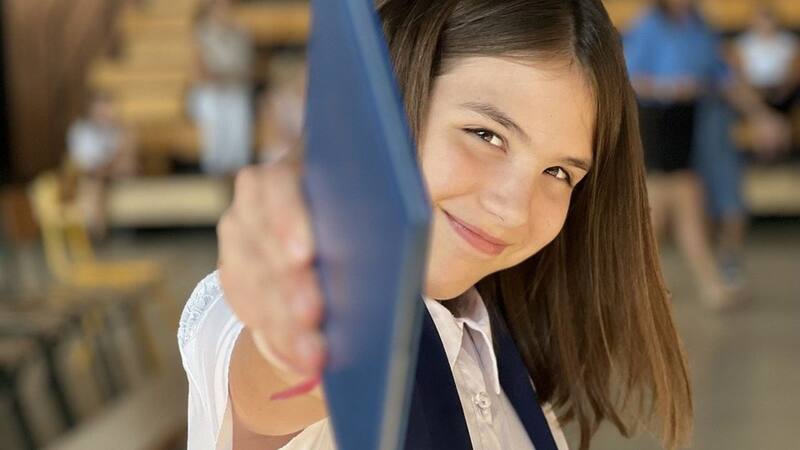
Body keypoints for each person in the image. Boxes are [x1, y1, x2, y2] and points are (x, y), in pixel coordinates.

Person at [179, 1, 693, 449]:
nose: (513, 209)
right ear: (395, 91)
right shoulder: (248, 317)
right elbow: (275, 379)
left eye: (559, 172)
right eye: (486, 135)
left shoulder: (498, 354)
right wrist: (299, 325)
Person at [623, 0, 790, 309]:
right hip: (657, 123)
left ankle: (643, 288)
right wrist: (672, 88)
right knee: (676, 200)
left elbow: (723, 78)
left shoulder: (699, 25)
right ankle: (702, 284)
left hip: (687, 124)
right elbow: (629, 79)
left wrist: (760, 116)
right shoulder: (649, 26)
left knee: (673, 203)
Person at [189, 0, 255, 175]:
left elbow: (248, 69)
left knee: (239, 104)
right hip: (209, 91)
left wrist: (230, 78)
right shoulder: (200, 33)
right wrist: (219, 79)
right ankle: (214, 166)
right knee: (212, 105)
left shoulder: (241, 33)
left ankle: (237, 166)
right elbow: (199, 71)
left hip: (235, 88)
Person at [66, 90, 137, 238]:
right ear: (92, 110)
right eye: (102, 109)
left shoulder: (119, 130)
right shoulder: (81, 130)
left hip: (110, 173)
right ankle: (95, 232)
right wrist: (115, 159)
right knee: (94, 185)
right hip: (88, 175)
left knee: (125, 165)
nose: (106, 113)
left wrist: (121, 155)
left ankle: (100, 231)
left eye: (109, 108)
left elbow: (127, 163)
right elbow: (86, 164)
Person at [730, 6, 800, 115]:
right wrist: (753, 91)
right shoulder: (742, 44)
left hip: (784, 91)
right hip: (754, 91)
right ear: (752, 21)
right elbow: (738, 73)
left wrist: (784, 90)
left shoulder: (790, 43)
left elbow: (795, 71)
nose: (764, 24)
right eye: (760, 19)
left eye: (768, 19)